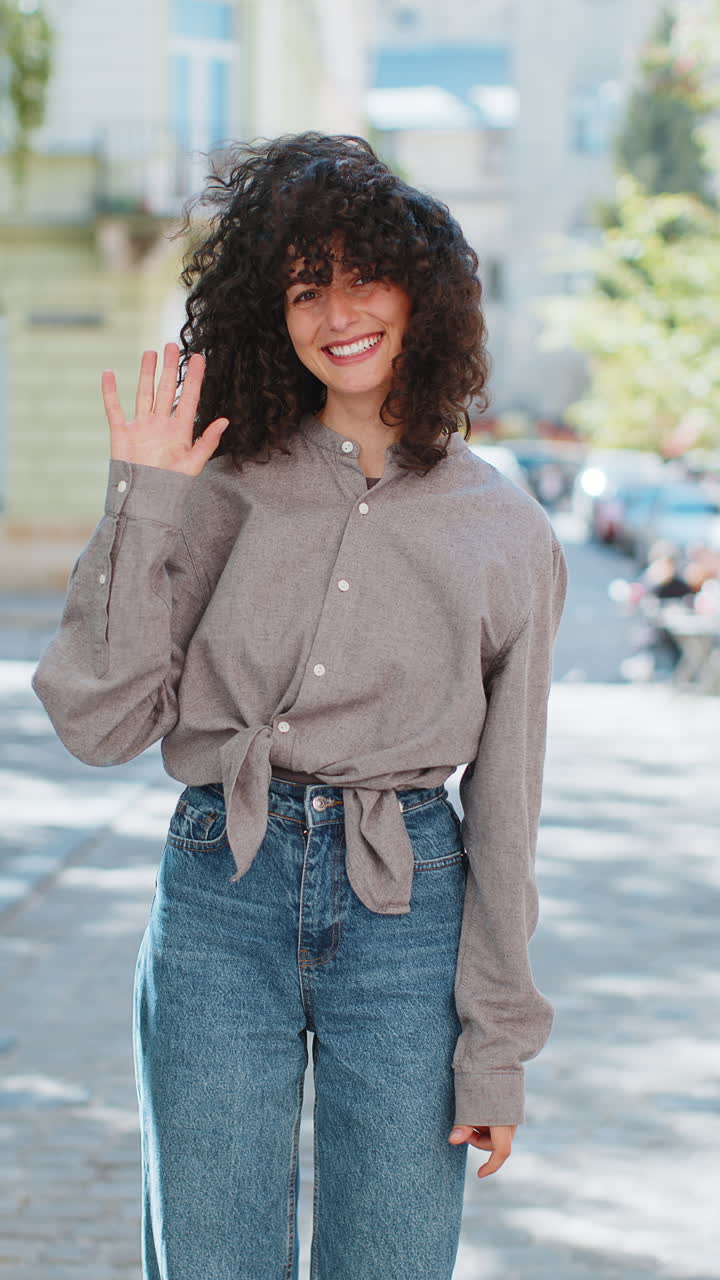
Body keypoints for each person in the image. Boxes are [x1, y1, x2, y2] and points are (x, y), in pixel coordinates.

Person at [31, 132, 568, 1280]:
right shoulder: (217, 482)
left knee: (393, 1258)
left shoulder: (506, 531)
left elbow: (511, 810)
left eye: (365, 275)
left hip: (410, 902)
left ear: (423, 296)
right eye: (305, 285)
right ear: (268, 310)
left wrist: (497, 1053)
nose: (339, 312)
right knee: (212, 1256)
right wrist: (144, 502)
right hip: (224, 884)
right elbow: (98, 721)